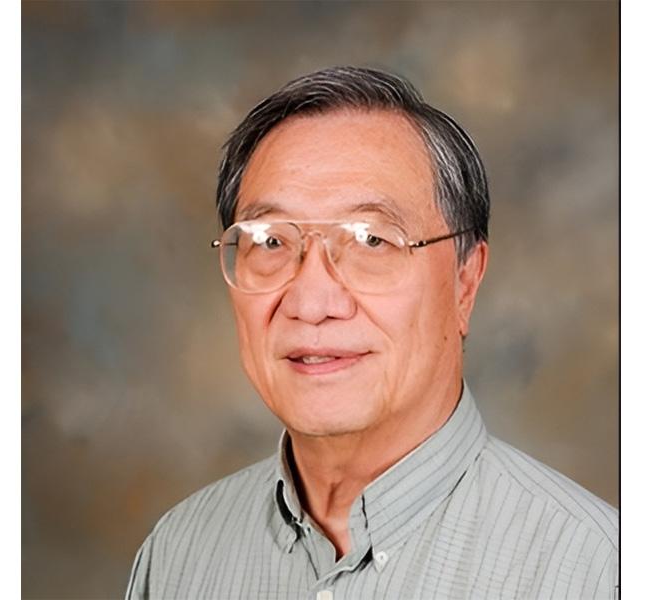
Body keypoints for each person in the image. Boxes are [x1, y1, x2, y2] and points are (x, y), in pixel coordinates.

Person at [126, 66, 618, 600]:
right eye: (269, 242)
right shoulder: (177, 556)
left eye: (372, 240)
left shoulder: (595, 570)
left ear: (465, 282)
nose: (311, 303)